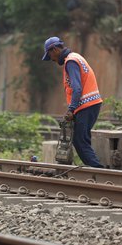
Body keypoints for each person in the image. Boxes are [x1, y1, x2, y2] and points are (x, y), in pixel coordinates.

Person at [42, 36, 104, 168]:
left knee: (80, 140)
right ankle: (98, 171)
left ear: (54, 50)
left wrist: (71, 109)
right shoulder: (76, 57)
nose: (52, 60)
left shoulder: (70, 62)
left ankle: (99, 172)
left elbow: (77, 88)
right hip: (90, 104)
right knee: (82, 140)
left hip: (86, 105)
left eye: (50, 55)